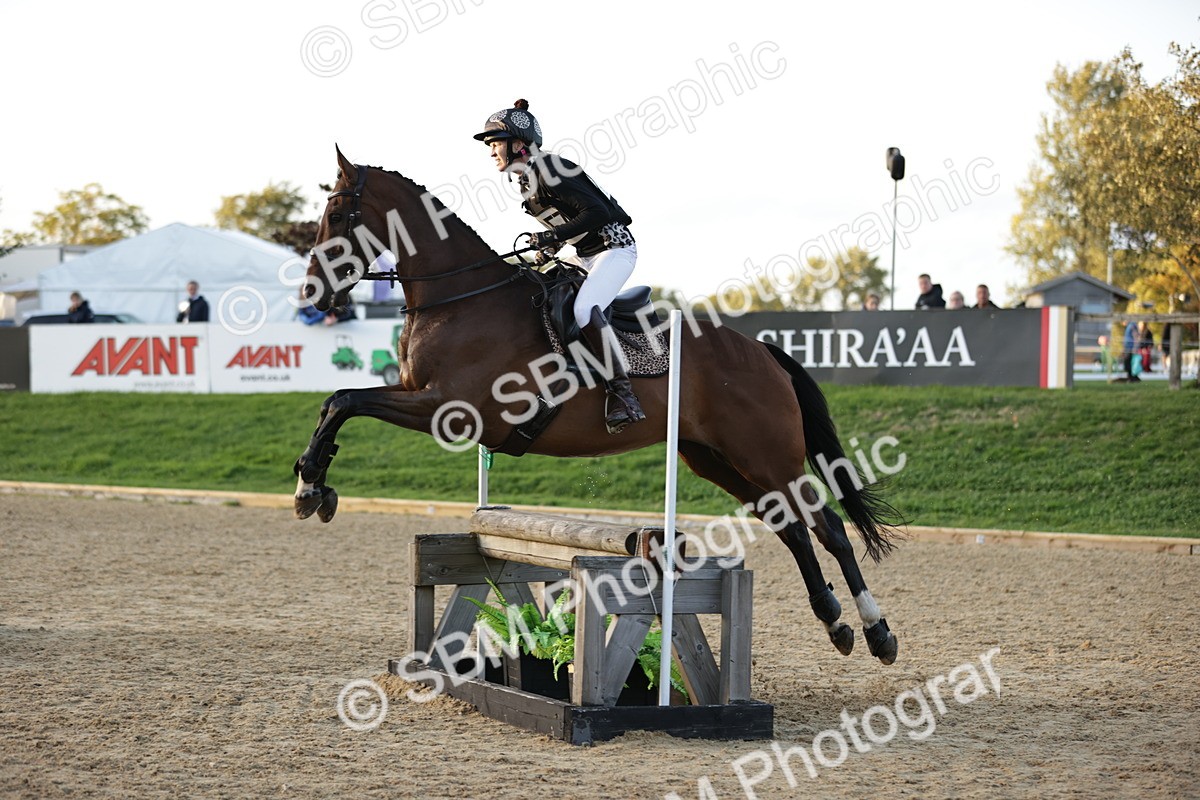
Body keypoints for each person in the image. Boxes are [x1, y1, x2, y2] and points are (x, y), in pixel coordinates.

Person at [474, 98, 644, 433]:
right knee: (533, 291)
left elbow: (599, 213)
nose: (491, 151)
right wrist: (551, 246)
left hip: (613, 248)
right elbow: (570, 223)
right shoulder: (528, 179)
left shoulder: (549, 168)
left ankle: (624, 394)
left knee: (584, 310)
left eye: (496, 144)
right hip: (580, 252)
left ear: (519, 144)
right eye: (490, 145)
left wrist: (550, 237)